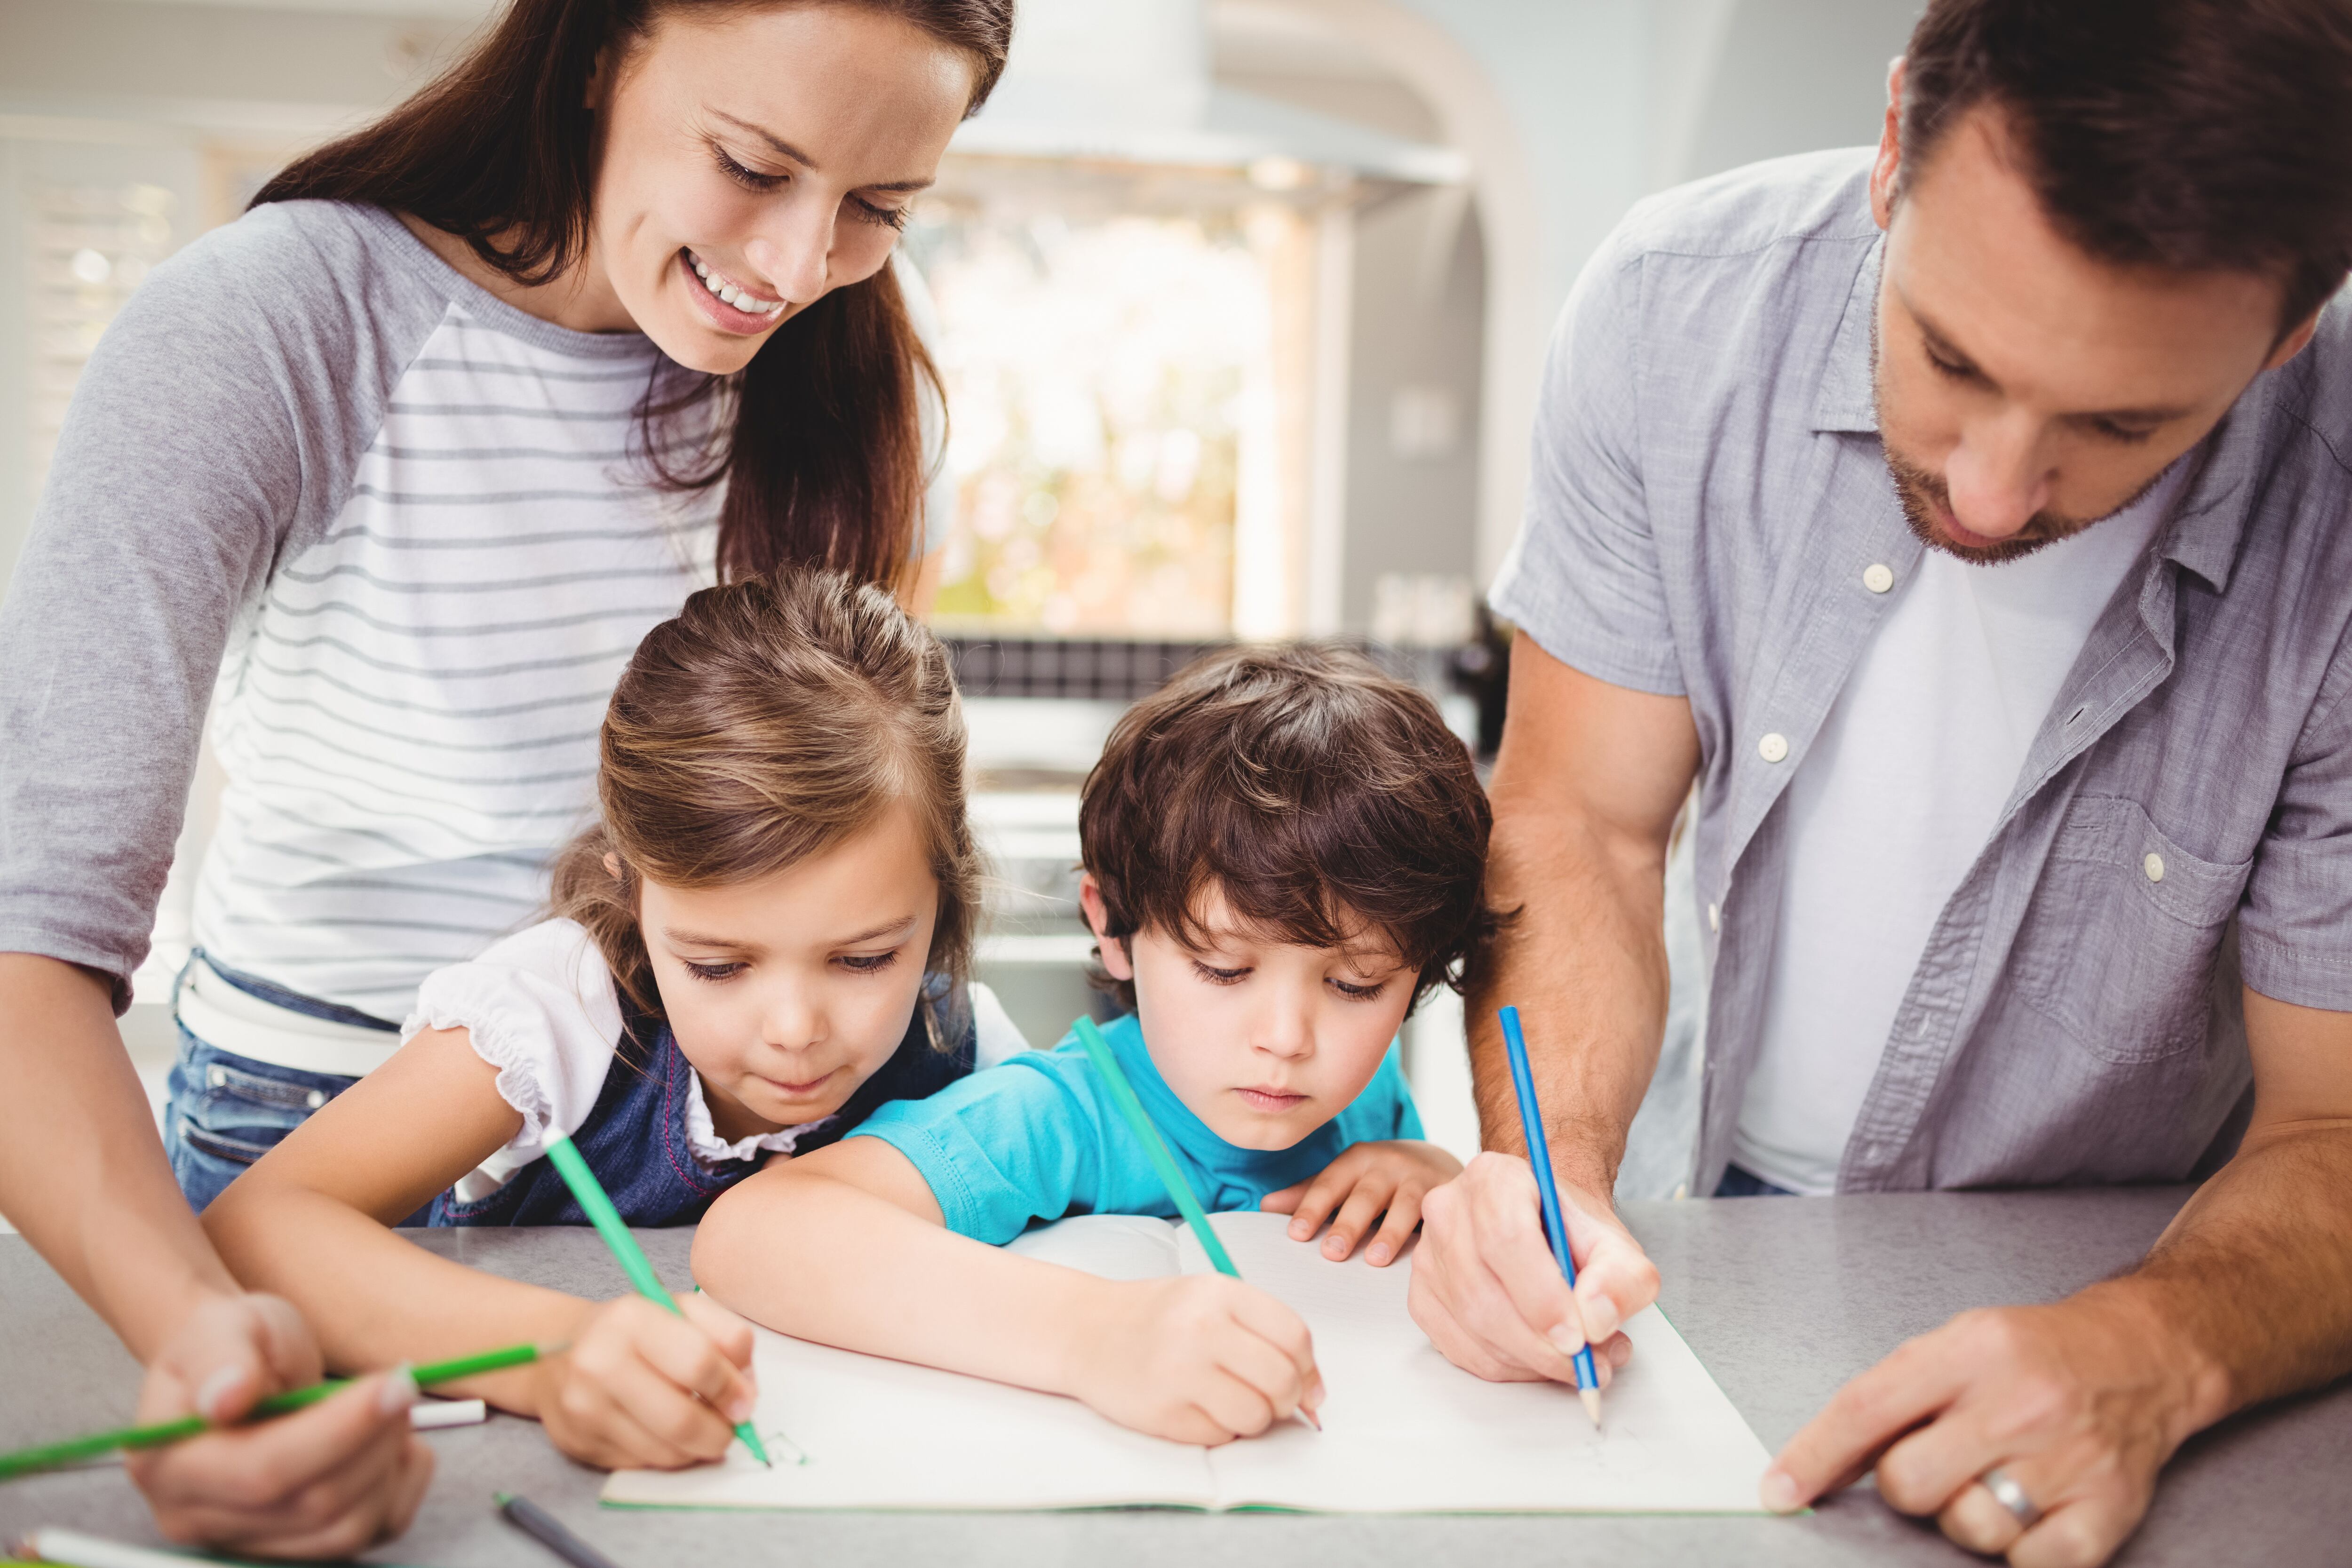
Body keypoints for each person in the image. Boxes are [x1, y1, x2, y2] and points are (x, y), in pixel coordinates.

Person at [0, 0, 1011, 1549]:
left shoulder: (851, 381)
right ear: (602, 44)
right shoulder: (280, 322)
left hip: (693, 1121)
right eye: (754, 163)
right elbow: (28, 941)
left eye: (879, 206)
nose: (805, 264)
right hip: (322, 1157)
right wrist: (199, 1337)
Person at [1406, 1, 2352, 1564]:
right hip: (1687, 1213)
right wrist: (1544, 1177)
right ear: (1896, 141)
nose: (1988, 490)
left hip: (2142, 1272)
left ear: (2292, 329)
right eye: (1951, 357)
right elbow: (1584, 820)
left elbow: (2336, 1121)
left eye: (2124, 425)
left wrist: (2164, 1347)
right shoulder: (1673, 310)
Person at [200, 570, 1025, 1470]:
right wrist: (552, 1356)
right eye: (717, 965)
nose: (793, 1028)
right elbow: (254, 1229)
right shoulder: (556, 1012)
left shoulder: (965, 1042)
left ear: (944, 898)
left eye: (865, 958)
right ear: (629, 889)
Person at [692, 645, 1495, 1445]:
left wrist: (1435, 1174)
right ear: (1112, 922)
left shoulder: (1372, 1096)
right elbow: (757, 1232)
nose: (1286, 1040)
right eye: (1223, 969)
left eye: (1356, 984)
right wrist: (1096, 1334)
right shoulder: (1058, 1112)